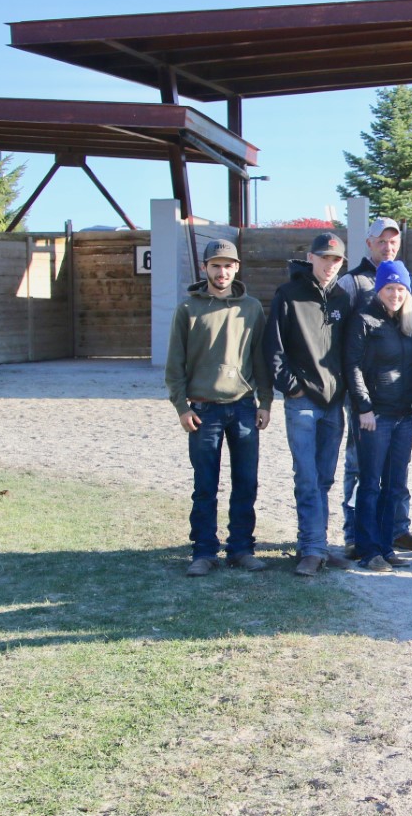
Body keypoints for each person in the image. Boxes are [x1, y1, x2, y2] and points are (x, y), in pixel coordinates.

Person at [165, 238, 273, 577]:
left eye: (228, 265)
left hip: (243, 407)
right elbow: (175, 365)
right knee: (205, 485)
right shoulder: (188, 309)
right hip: (203, 411)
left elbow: (261, 359)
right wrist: (182, 407)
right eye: (216, 265)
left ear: (237, 268)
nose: (222, 271)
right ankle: (204, 551)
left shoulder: (252, 308)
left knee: (246, 482)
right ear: (205, 268)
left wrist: (265, 401)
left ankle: (241, 548)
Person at [265, 232, 356, 577]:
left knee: (324, 479)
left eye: (336, 260)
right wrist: (292, 388)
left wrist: (344, 389)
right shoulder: (288, 295)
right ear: (310, 257)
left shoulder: (342, 298)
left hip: (333, 403)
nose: (330, 265)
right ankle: (311, 548)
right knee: (306, 476)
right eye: (324, 258)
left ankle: (317, 545)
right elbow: (273, 348)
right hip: (302, 402)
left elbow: (348, 350)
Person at [337, 217, 412, 557]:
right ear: (369, 242)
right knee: (360, 468)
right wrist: (361, 402)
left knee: (395, 476)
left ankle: (395, 532)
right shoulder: (352, 282)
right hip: (367, 399)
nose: (388, 246)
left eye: (393, 241)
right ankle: (355, 534)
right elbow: (347, 346)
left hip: (401, 403)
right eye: (381, 241)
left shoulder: (407, 280)